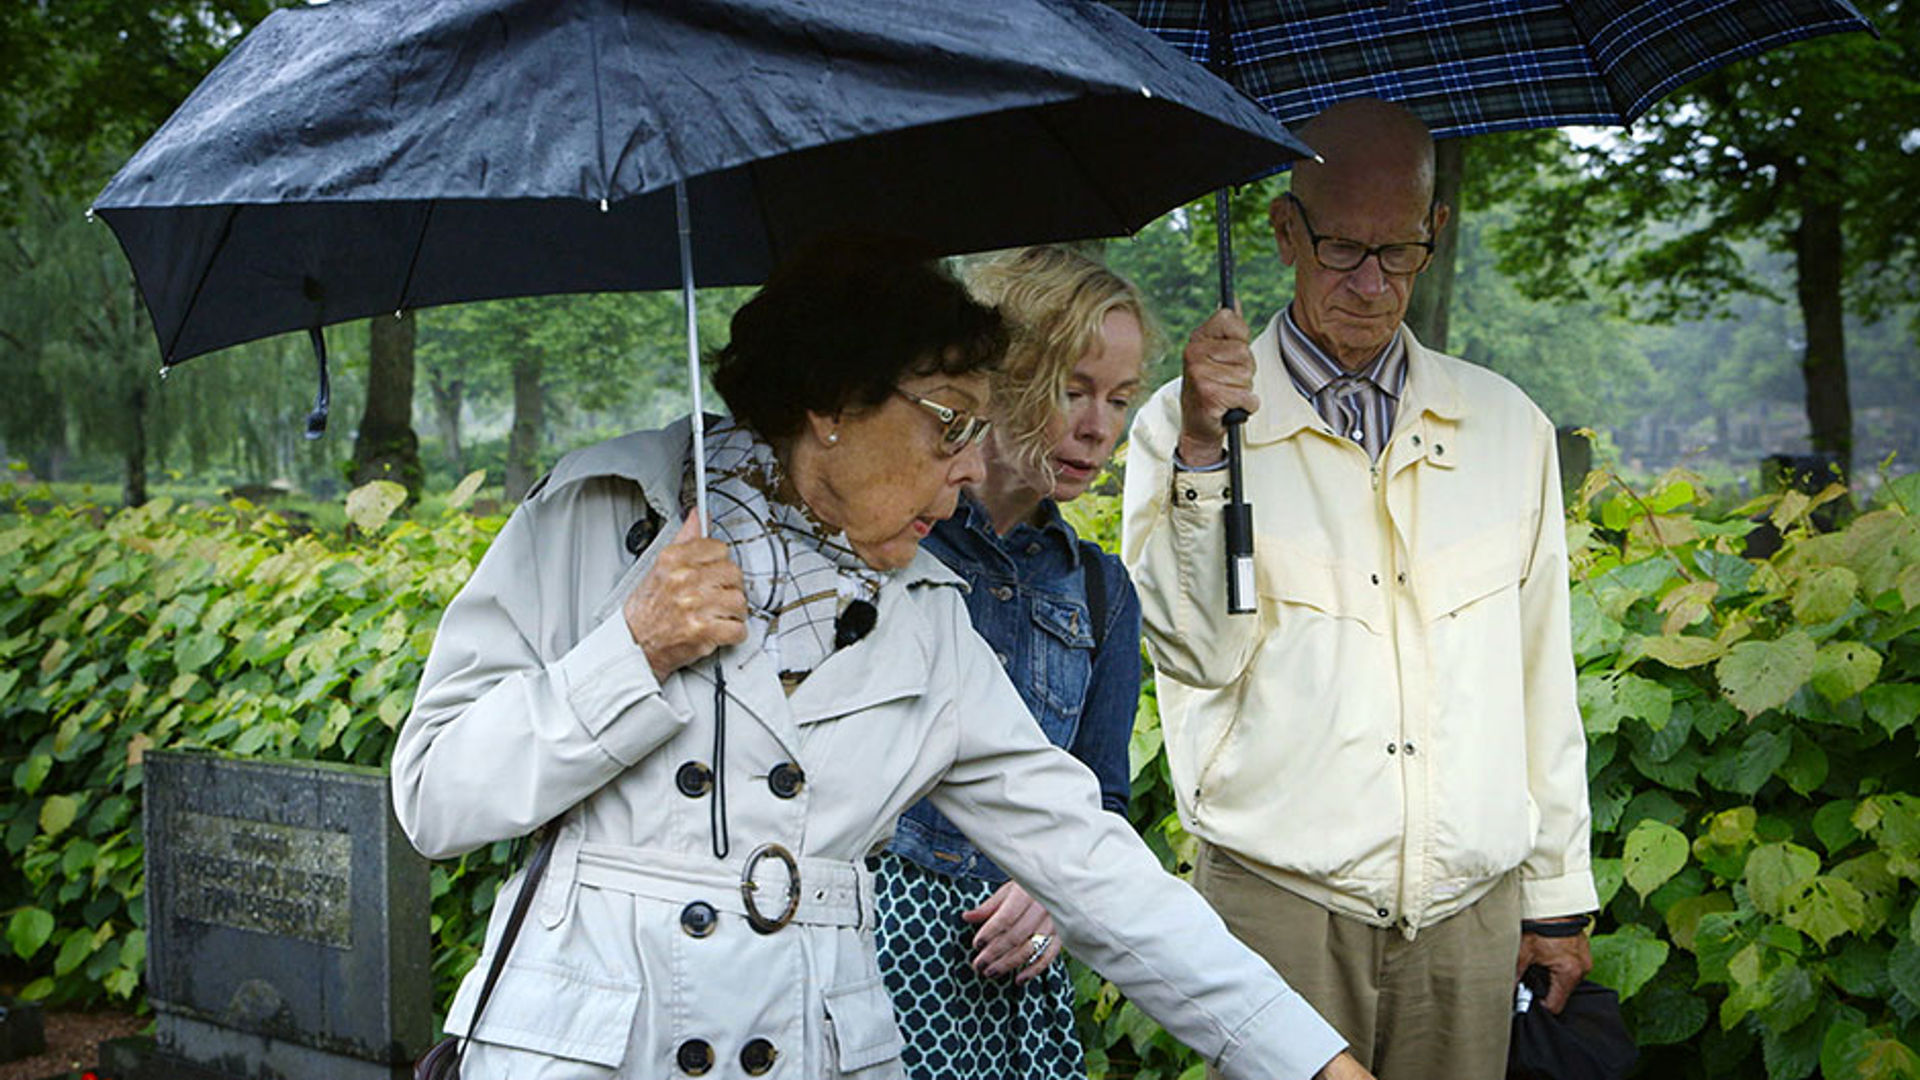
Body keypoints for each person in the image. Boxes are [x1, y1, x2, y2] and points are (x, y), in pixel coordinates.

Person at [390, 238, 1374, 1080]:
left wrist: (1313, 1062)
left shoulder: (927, 621)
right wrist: (632, 652)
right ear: (834, 401)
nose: (970, 465)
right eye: (952, 422)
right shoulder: (599, 517)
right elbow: (435, 799)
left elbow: (1094, 867)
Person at [1120, 99, 1599, 1080]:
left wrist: (1556, 898)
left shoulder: (1507, 426)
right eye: (1342, 248)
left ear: (1437, 230)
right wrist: (1207, 451)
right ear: (1284, 231)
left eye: (1401, 250)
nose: (1373, 284)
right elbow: (1196, 654)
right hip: (1276, 903)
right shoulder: (1182, 426)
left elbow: (1542, 672)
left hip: (1470, 915)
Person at [871, 245, 1148, 1079]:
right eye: (1074, 388)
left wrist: (1055, 890)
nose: (1098, 427)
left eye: (1121, 398)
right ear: (1009, 376)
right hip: (868, 952)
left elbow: (1101, 798)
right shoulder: (895, 545)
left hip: (1010, 979)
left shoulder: (1099, 589)